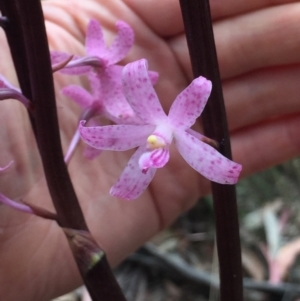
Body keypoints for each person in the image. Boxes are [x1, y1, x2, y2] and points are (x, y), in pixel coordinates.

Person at [1, 0, 300, 300]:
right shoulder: (150, 135)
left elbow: (223, 168)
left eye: (156, 143)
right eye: (155, 143)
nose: (155, 144)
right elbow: (102, 136)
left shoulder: (177, 138)